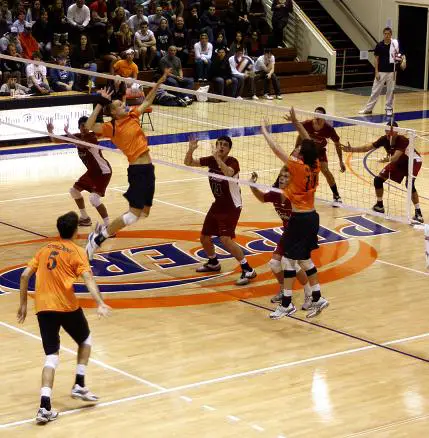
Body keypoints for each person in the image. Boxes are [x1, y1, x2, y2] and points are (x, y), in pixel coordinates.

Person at [17, 211, 111, 424]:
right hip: (66, 307)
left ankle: (44, 406)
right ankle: (79, 383)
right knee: (85, 340)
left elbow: (24, 276)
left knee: (51, 357)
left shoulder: (44, 249)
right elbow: (89, 280)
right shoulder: (77, 252)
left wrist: (23, 304)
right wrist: (100, 303)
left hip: (43, 308)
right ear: (76, 231)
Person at [84, 70, 171, 260]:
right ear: (113, 113)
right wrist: (100, 104)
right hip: (138, 170)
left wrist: (159, 82)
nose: (123, 105)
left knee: (144, 213)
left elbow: (147, 101)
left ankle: (101, 234)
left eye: (122, 103)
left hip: (148, 170)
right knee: (132, 215)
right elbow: (89, 127)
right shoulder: (111, 127)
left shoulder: (132, 115)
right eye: (119, 105)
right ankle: (97, 239)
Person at [261, 107, 329, 319]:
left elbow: (277, 150)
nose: (296, 150)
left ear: (302, 154)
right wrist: (296, 122)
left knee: (288, 262)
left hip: (299, 219)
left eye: (299, 150)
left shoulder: (297, 167)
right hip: (312, 217)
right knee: (306, 260)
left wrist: (265, 131)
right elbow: (308, 140)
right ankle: (318, 298)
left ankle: (287, 304)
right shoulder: (315, 164)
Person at [184, 136, 257, 286]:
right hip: (218, 204)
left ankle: (247, 269)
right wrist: (191, 149)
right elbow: (188, 162)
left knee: (225, 239)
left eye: (225, 145)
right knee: (204, 237)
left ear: (229, 149)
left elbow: (229, 173)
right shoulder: (212, 159)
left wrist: (217, 159)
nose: (221, 147)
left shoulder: (232, 162)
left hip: (231, 206)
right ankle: (213, 262)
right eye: (219, 144)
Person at [249, 168, 312, 308]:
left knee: (291, 264)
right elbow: (261, 197)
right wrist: (252, 185)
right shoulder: (276, 194)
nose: (282, 178)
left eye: (286, 176)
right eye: (281, 176)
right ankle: (284, 290)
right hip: (288, 234)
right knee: (274, 263)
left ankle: (310, 294)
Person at [342, 121, 424, 223]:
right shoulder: (384, 139)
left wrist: (387, 159)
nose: (388, 133)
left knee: (409, 184)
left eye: (391, 131)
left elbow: (395, 158)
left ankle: (418, 213)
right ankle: (379, 206)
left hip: (413, 161)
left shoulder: (402, 140)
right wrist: (352, 149)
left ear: (397, 132)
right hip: (398, 162)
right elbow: (367, 147)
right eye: (386, 130)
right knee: (378, 180)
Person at [47, 117, 112, 226]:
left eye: (87, 125)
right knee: (74, 191)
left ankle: (108, 226)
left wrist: (68, 133)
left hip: (102, 172)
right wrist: (50, 131)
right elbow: (56, 140)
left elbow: (81, 144)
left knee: (94, 199)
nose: (85, 128)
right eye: (83, 125)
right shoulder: (77, 136)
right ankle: (85, 218)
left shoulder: (92, 137)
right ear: (79, 127)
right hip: (92, 172)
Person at [296, 107, 345, 205]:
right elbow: (299, 136)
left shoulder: (329, 129)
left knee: (326, 171)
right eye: (316, 115)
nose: (317, 118)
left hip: (320, 152)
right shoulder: (307, 124)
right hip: (308, 152)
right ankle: (299, 193)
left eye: (320, 116)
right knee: (301, 172)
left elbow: (337, 144)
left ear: (324, 117)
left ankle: (336, 195)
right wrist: (296, 151)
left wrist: (340, 161)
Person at [359, 27, 402, 116]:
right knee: (375, 91)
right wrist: (376, 72)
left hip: (392, 72)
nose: (387, 35)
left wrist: (401, 60)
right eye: (385, 34)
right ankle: (368, 109)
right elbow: (376, 59)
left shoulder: (394, 45)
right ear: (383, 34)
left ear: (391, 35)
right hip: (381, 72)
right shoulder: (379, 45)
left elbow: (398, 56)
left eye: (388, 34)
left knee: (390, 91)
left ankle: (389, 108)